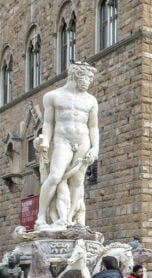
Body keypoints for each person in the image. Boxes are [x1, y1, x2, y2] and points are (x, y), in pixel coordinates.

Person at [35, 62, 99, 230]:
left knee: (78, 181)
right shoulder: (53, 96)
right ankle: (41, 216)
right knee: (55, 176)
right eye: (87, 78)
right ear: (75, 76)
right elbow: (48, 123)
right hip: (62, 140)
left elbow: (93, 127)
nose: (89, 82)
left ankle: (70, 218)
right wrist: (46, 142)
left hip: (83, 141)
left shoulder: (91, 100)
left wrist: (95, 148)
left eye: (91, 79)